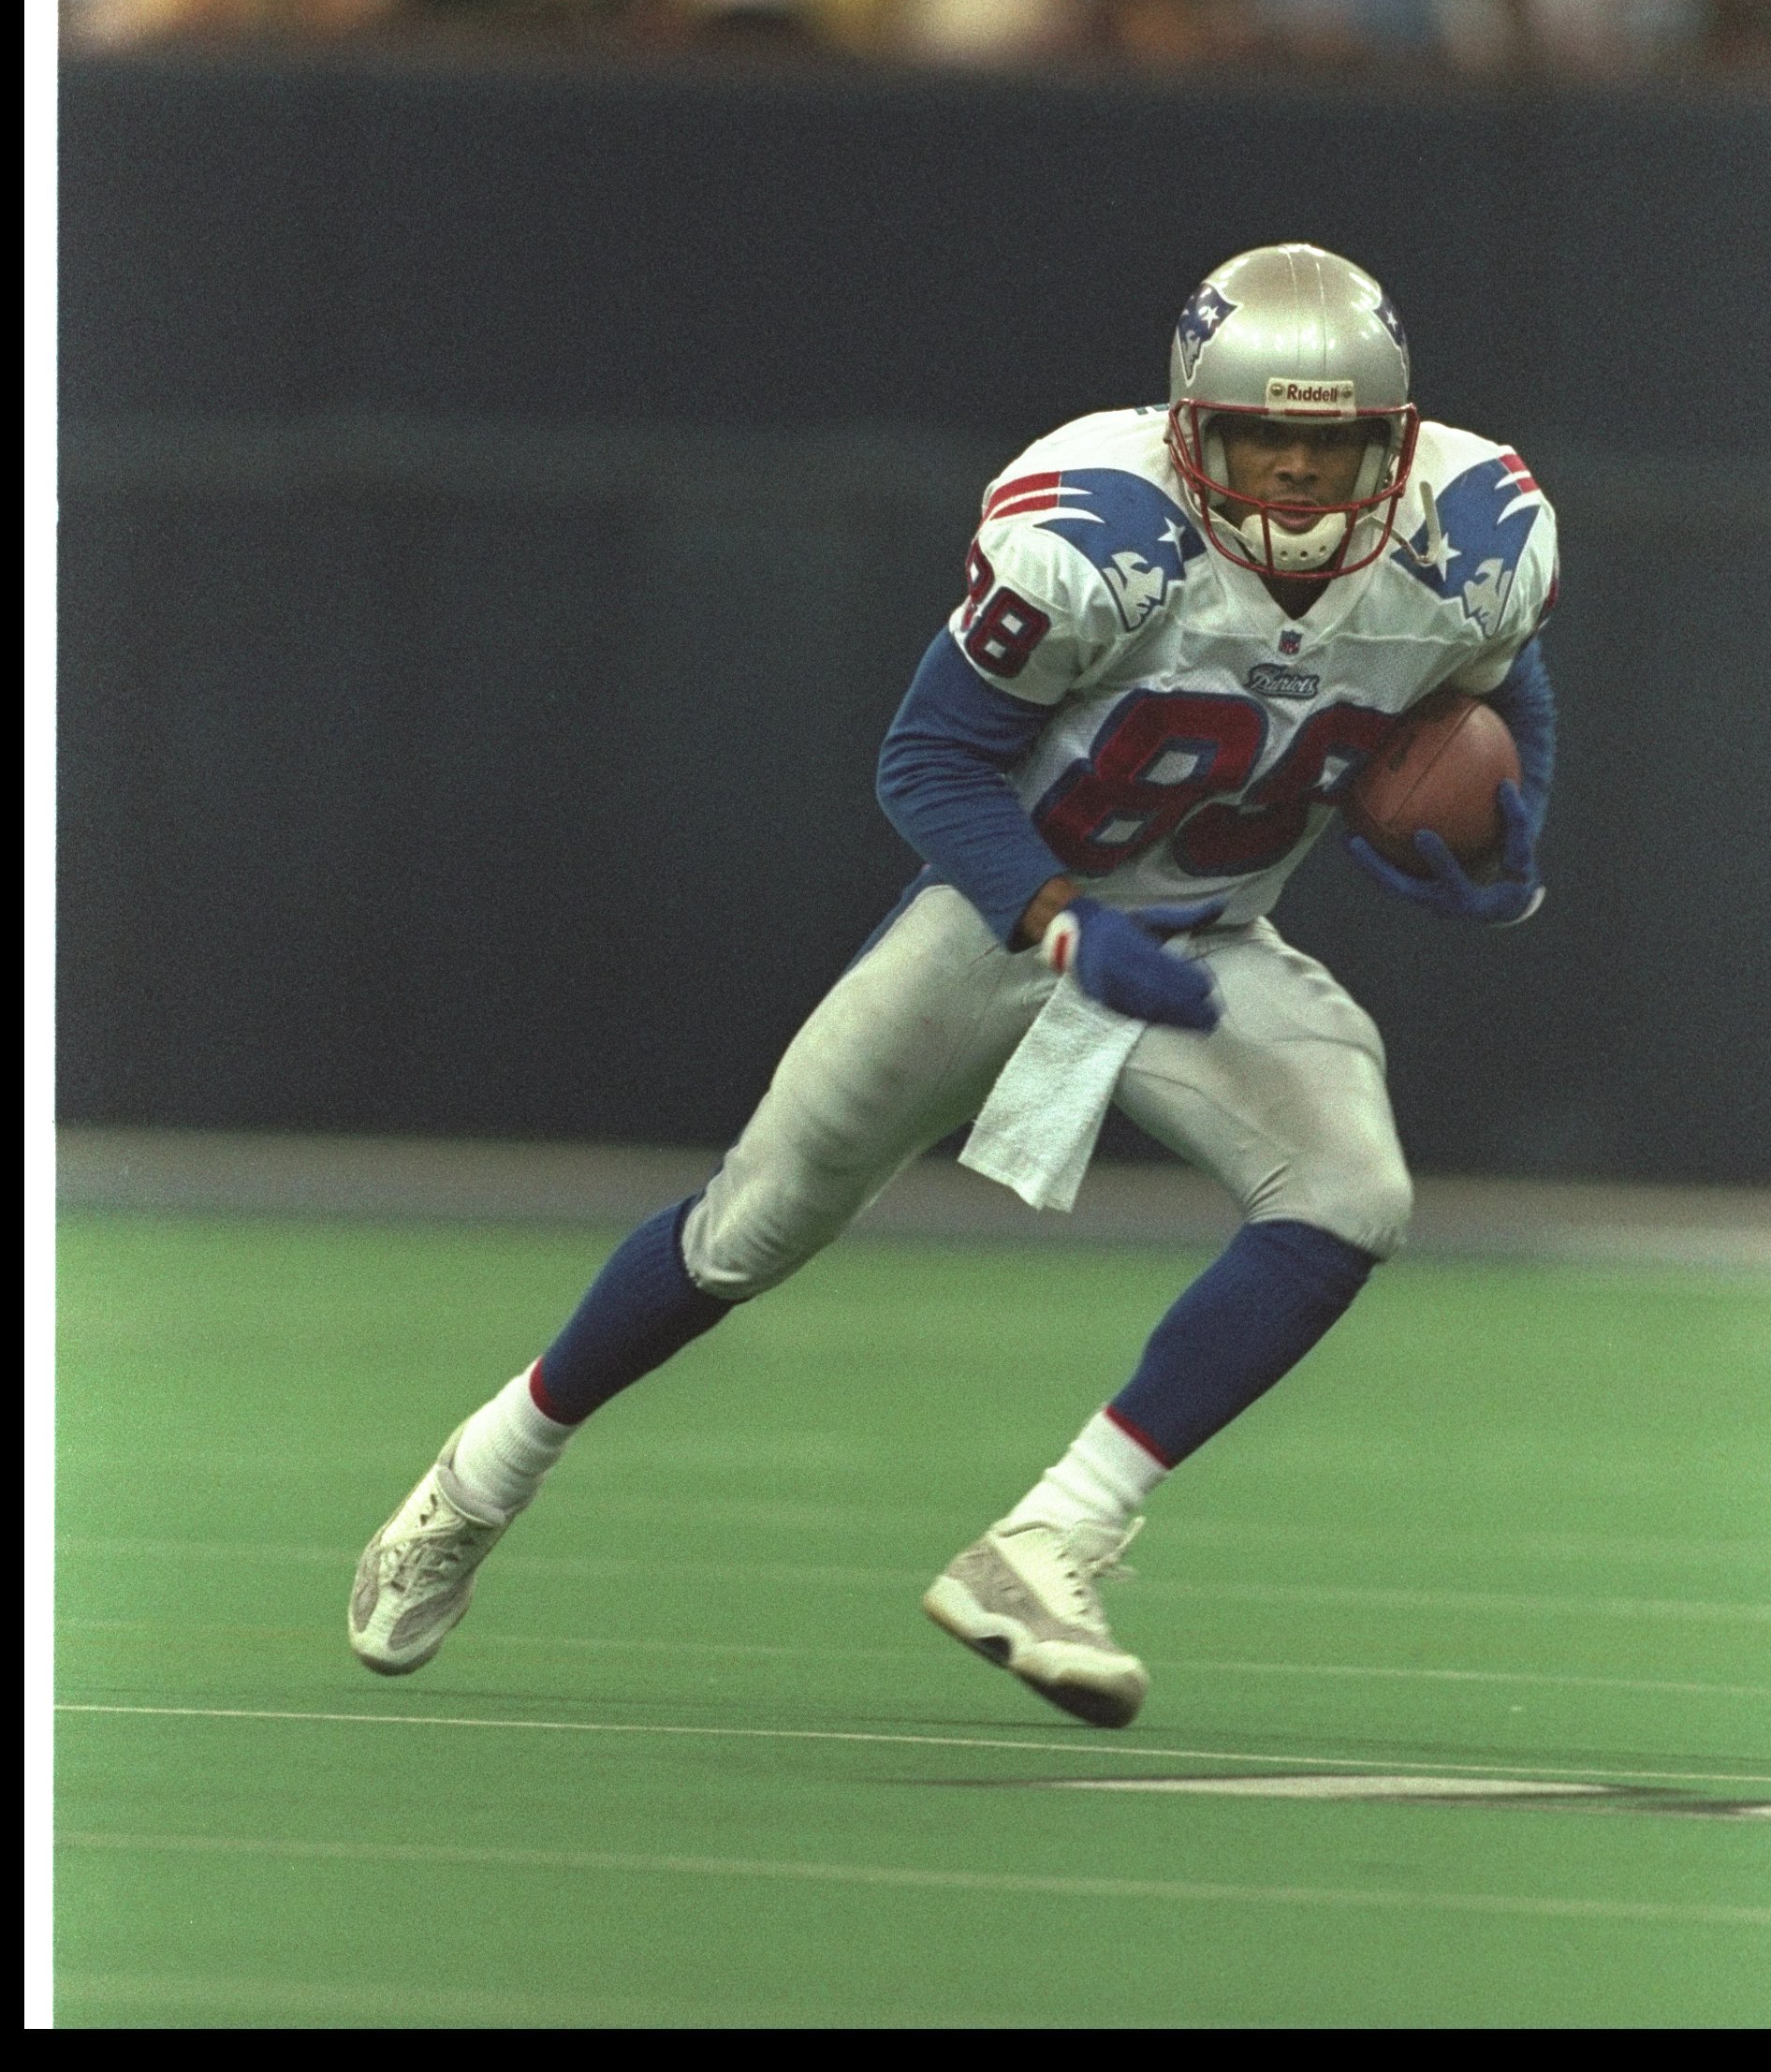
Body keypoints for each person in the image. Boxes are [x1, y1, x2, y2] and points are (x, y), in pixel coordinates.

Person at [349, 243, 1559, 1727]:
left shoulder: (1472, 534)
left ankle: (1052, 1537)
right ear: (1194, 431)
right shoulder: (1100, 529)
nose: (1300, 478)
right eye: (1266, 438)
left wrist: (1514, 831)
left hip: (1204, 944)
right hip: (1005, 922)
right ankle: (480, 1480)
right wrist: (1057, 925)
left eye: (1334, 443)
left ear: (1396, 440)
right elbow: (927, 762)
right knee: (753, 1227)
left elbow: (1496, 670)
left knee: (1353, 1191)